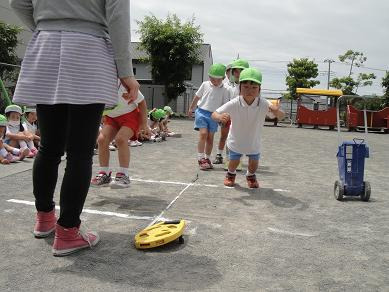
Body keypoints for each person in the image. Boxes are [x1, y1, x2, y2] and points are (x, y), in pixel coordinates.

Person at [10, 0, 139, 256]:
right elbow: (118, 18)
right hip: (88, 50)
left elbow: (17, 3)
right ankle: (68, 231)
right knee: (80, 152)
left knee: (49, 147)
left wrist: (48, 26)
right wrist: (125, 70)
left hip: (45, 46)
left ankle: (45, 218)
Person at [212, 68, 284, 188]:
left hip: (253, 141)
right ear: (240, 88)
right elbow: (214, 114)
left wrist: (277, 111)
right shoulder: (235, 102)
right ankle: (230, 174)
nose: (249, 90)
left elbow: (281, 116)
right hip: (236, 140)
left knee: (254, 164)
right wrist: (220, 117)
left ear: (259, 89)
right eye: (245, 87)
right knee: (233, 162)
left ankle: (250, 176)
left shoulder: (264, 103)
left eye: (254, 87)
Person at [91, 87, 150, 189]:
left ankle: (124, 175)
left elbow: (142, 102)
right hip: (111, 117)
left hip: (130, 116)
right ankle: (104, 174)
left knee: (120, 139)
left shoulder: (123, 85)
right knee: (101, 139)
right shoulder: (94, 87)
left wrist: (144, 123)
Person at [187, 63, 230, 170]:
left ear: (223, 78)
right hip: (201, 112)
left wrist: (222, 118)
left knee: (210, 139)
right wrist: (191, 108)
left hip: (215, 116)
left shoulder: (225, 90)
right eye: (213, 79)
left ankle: (207, 158)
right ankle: (200, 158)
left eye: (218, 80)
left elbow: (225, 105)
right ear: (209, 77)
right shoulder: (205, 84)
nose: (215, 82)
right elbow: (197, 97)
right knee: (203, 134)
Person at [214, 59, 250, 167]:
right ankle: (220, 156)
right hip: (227, 115)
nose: (238, 74)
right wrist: (221, 115)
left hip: (241, 117)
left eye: (241, 71)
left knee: (237, 138)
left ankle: (234, 160)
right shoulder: (228, 86)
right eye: (236, 71)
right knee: (224, 136)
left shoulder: (247, 86)